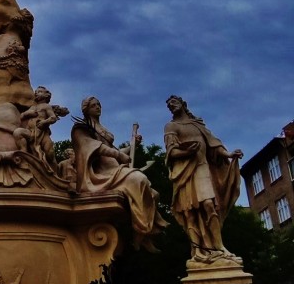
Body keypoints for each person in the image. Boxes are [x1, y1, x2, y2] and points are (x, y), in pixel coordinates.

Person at [71, 97, 166, 250]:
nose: (97, 107)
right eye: (93, 105)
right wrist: (119, 156)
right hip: (102, 174)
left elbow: (115, 151)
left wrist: (132, 146)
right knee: (140, 179)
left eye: (99, 104)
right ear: (86, 109)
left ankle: (142, 232)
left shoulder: (101, 127)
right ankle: (142, 229)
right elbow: (91, 147)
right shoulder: (81, 128)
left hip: (116, 169)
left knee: (153, 194)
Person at [164, 95, 243, 263]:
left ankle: (219, 247)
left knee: (209, 205)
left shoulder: (197, 124)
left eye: (174, 102)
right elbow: (171, 152)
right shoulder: (171, 126)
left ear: (183, 104)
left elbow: (214, 145)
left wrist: (230, 154)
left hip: (202, 168)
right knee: (190, 212)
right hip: (185, 172)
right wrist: (187, 152)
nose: (172, 106)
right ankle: (198, 251)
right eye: (169, 105)